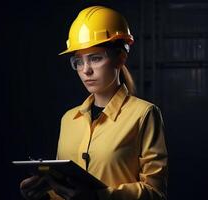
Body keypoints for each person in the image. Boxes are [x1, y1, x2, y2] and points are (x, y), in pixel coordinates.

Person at [19, 5, 168, 200]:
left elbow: (156, 193)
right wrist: (43, 194)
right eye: (79, 62)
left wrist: (99, 196)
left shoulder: (144, 114)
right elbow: (64, 190)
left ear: (120, 58)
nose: (86, 70)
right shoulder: (69, 119)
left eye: (95, 58)